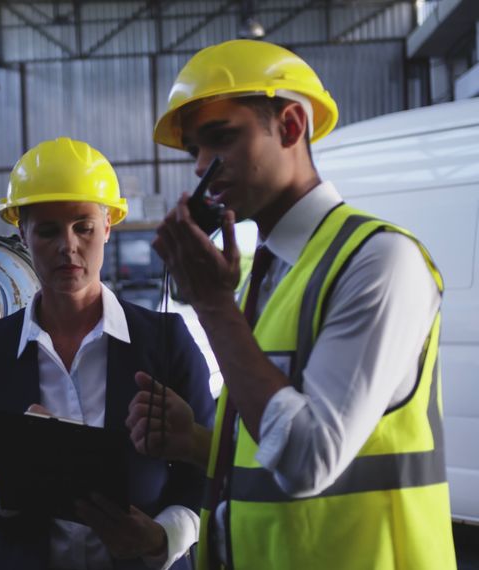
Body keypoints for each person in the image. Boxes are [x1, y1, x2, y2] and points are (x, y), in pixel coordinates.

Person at [132, 39, 456, 569]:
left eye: (220, 138)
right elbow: (274, 434)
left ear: (289, 126)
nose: (201, 168)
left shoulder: (377, 263)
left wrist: (213, 307)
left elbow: (308, 458)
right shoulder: (268, 276)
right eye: (195, 151)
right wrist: (197, 442)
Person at [0, 137, 214, 570]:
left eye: (84, 226)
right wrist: (16, 480)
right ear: (23, 233)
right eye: (48, 230)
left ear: (108, 226)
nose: (68, 246)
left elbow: (206, 473)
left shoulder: (166, 341)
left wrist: (162, 536)